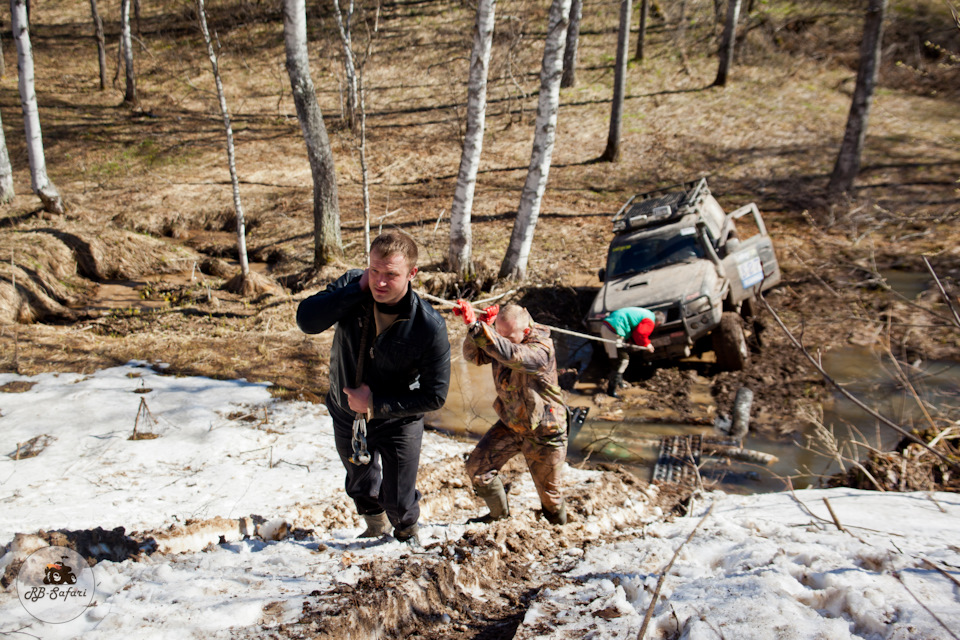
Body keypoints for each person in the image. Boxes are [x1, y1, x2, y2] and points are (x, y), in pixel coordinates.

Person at [296, 232, 451, 546]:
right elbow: (307, 320)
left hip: (398, 420)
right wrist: (357, 289)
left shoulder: (427, 326)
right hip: (347, 414)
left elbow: (435, 394)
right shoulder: (353, 286)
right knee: (360, 484)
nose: (380, 282)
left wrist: (375, 403)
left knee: (398, 498)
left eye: (391, 275)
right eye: (375, 271)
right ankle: (374, 528)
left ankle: (406, 534)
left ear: (411, 273)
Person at [458, 302, 569, 525]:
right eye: (499, 334)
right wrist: (477, 328)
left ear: (525, 332)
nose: (502, 339)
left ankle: (558, 530)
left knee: (550, 497)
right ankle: (499, 517)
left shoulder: (541, 348)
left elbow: (513, 355)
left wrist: (482, 330)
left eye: (507, 336)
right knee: (477, 469)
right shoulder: (505, 341)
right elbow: (474, 357)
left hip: (545, 432)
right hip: (512, 424)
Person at [599, 306, 662, 398]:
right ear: (658, 323)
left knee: (615, 357)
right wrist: (647, 344)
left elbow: (634, 330)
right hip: (614, 330)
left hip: (609, 327)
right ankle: (611, 390)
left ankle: (619, 383)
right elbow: (640, 334)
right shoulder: (650, 321)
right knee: (622, 360)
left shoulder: (646, 313)